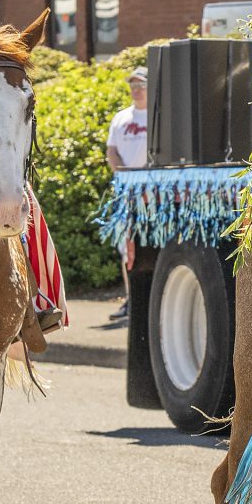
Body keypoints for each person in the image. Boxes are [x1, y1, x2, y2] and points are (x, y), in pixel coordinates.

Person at [106, 68, 148, 318]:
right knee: (127, 246)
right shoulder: (121, 118)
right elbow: (112, 151)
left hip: (155, 192)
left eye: (141, 85)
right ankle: (131, 298)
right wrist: (126, 176)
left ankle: (145, 299)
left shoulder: (159, 115)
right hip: (127, 191)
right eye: (133, 85)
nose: (136, 89)